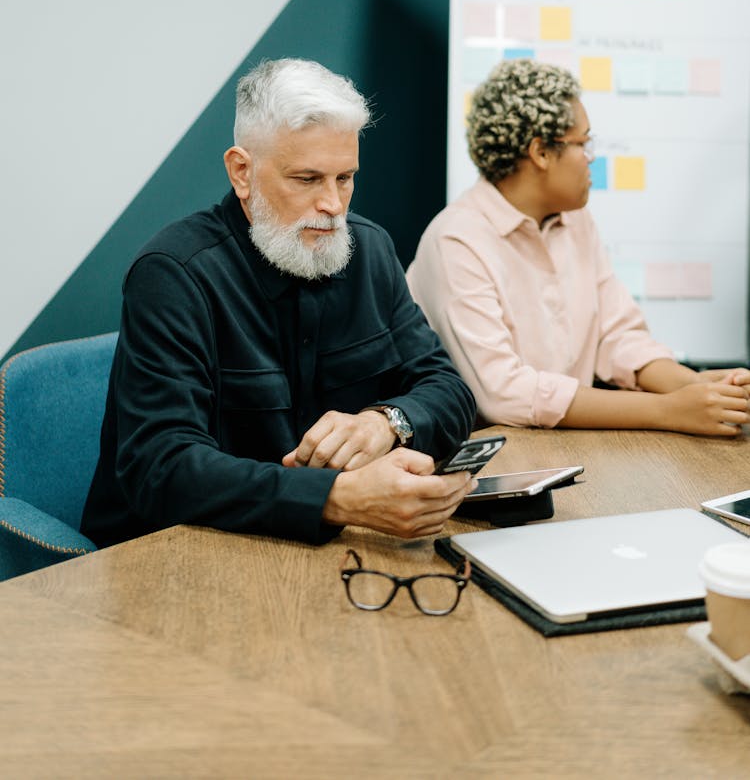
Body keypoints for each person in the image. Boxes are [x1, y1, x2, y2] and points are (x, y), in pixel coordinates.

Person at [81, 58, 477, 548]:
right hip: (176, 559)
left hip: (331, 555)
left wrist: (387, 423)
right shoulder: (173, 274)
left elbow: (449, 388)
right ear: (242, 172)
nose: (333, 205)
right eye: (307, 180)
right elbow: (163, 467)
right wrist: (338, 497)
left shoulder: (370, 250)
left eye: (345, 178)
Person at [406, 58, 750, 436]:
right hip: (491, 465)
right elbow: (504, 393)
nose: (592, 157)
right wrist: (666, 410)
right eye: (583, 144)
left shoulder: (574, 220)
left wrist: (697, 390)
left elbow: (616, 336)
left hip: (567, 450)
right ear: (540, 152)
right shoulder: (456, 241)